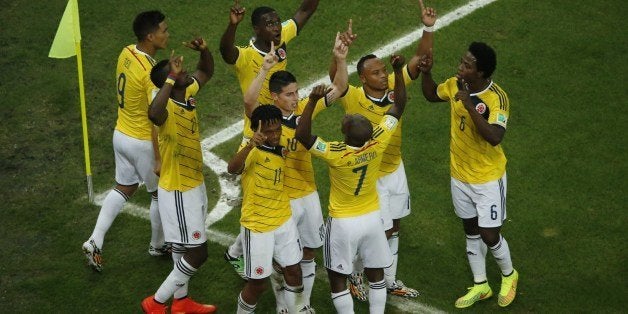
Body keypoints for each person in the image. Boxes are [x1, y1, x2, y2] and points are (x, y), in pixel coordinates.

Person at [328, 0, 437, 299]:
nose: (381, 75)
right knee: (380, 230)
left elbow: (422, 58)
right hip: (369, 174)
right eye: (375, 72)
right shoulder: (351, 96)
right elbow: (333, 79)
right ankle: (356, 273)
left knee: (395, 226)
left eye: (382, 70)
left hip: (394, 168)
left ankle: (389, 280)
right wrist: (339, 54)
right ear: (363, 77)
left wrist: (428, 27)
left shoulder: (394, 86)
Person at [242, 33, 349, 314]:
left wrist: (340, 57)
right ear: (275, 96)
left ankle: (303, 306)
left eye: (297, 92)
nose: (295, 98)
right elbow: (248, 102)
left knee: (310, 251)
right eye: (289, 94)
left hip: (307, 192)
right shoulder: (266, 122)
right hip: (282, 200)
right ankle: (284, 306)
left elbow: (340, 86)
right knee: (284, 261)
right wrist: (264, 69)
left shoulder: (304, 109)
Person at [296, 55, 407, 314]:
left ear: (345, 133)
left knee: (337, 278)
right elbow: (399, 105)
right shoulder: (378, 140)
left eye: (350, 119)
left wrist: (311, 102)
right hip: (371, 218)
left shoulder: (335, 152)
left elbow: (302, 135)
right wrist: (398, 72)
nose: (351, 115)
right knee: (377, 274)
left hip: (344, 223)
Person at [219, 0, 319, 280]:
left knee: (273, 195)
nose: (277, 27)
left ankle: (237, 251)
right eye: (270, 24)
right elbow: (227, 53)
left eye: (277, 22)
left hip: (279, 131)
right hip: (256, 133)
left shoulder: (281, 37)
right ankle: (240, 252)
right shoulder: (247, 55)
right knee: (258, 200)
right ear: (256, 29)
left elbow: (305, 11)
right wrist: (232, 25)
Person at [419, 41, 518, 308]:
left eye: (467, 65)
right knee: (471, 231)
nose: (460, 67)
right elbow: (430, 95)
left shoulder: (497, 97)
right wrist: (427, 73)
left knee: (489, 235)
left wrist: (470, 105)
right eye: (461, 62)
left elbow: (495, 137)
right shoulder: (454, 84)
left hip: (487, 178)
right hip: (459, 175)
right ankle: (480, 284)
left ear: (482, 73)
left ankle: (509, 275)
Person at [82, 10, 169, 272]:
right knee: (158, 195)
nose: (167, 34)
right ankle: (158, 245)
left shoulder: (126, 51)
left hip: (120, 135)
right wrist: (158, 157)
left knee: (124, 187)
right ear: (150, 35)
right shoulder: (149, 73)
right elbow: (156, 117)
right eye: (164, 30)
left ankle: (94, 240)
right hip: (142, 142)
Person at [140, 37, 216, 313]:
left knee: (184, 250)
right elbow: (153, 113)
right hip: (179, 190)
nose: (184, 73)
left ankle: (182, 302)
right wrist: (171, 77)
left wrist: (205, 50)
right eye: (176, 73)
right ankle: (157, 302)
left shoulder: (187, 94)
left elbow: (206, 71)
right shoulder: (166, 107)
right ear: (168, 84)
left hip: (194, 184)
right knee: (199, 252)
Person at [227, 105, 304, 314]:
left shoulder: (282, 144)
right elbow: (232, 168)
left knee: (294, 272)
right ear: (256, 131)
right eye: (268, 131)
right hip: (257, 226)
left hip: (283, 219)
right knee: (257, 285)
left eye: (277, 129)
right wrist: (250, 145)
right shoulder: (250, 149)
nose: (275, 135)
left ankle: (296, 309)